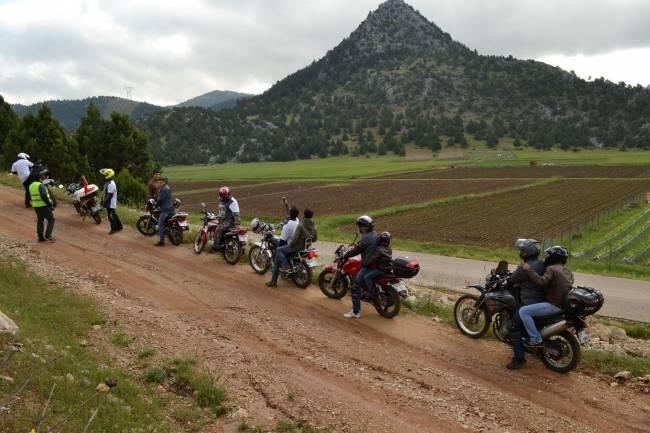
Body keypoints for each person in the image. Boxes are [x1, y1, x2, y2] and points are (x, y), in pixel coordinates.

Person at [520, 246, 574, 347]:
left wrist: (529, 270)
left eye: (549, 255)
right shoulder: (568, 272)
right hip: (563, 306)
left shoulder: (551, 268)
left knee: (523, 311)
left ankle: (535, 339)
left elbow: (541, 281)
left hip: (553, 305)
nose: (547, 257)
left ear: (553, 257)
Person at [506, 238, 545, 370]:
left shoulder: (525, 267)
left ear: (526, 252)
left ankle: (519, 359)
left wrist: (509, 280)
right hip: (542, 302)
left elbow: (512, 279)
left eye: (522, 250)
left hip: (528, 301)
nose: (521, 252)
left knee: (514, 327)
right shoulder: (542, 264)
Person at [266, 208, 317, 288]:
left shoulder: (301, 225)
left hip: (296, 246)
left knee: (279, 250)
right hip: (305, 247)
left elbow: (295, 239)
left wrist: (291, 245)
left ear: (304, 215)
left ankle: (287, 267)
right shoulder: (313, 225)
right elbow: (315, 238)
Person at [340, 215, 378, 319]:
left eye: (361, 226)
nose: (360, 228)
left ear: (366, 227)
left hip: (368, 265)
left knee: (355, 286)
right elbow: (362, 245)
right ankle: (366, 294)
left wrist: (345, 255)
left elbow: (357, 250)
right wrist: (357, 244)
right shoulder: (374, 234)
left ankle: (355, 312)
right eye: (360, 226)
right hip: (375, 263)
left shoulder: (366, 238)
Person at [363, 231, 393, 301]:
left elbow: (372, 259)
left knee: (366, 277)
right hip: (388, 268)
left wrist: (364, 263)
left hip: (381, 269)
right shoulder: (389, 249)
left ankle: (372, 294)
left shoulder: (379, 249)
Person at [210, 186, 241, 253]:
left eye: (224, 195)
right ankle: (221, 242)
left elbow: (236, 215)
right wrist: (218, 216)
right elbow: (222, 210)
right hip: (222, 219)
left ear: (228, 194)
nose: (223, 197)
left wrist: (237, 225)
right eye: (222, 195)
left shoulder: (233, 202)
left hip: (229, 221)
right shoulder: (221, 199)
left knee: (218, 229)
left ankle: (215, 247)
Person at [28, 167, 55, 242]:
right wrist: (50, 205)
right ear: (40, 177)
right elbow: (43, 195)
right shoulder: (41, 185)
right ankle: (48, 235)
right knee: (51, 219)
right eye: (42, 176)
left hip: (36, 206)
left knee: (40, 220)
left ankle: (40, 237)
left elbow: (30, 196)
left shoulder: (31, 185)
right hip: (43, 205)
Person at [100, 168, 123, 235]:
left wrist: (104, 202)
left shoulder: (111, 184)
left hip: (110, 202)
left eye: (105, 175)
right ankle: (119, 226)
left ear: (108, 176)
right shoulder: (108, 183)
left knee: (110, 216)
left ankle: (114, 228)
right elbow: (106, 193)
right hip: (109, 202)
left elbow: (109, 195)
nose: (104, 176)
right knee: (113, 214)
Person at [154, 178, 174, 246]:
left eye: (160, 182)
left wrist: (156, 205)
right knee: (167, 223)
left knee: (160, 224)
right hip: (171, 209)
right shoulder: (167, 188)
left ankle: (161, 241)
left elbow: (161, 200)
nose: (159, 183)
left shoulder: (163, 189)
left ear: (164, 183)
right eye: (158, 182)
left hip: (166, 210)